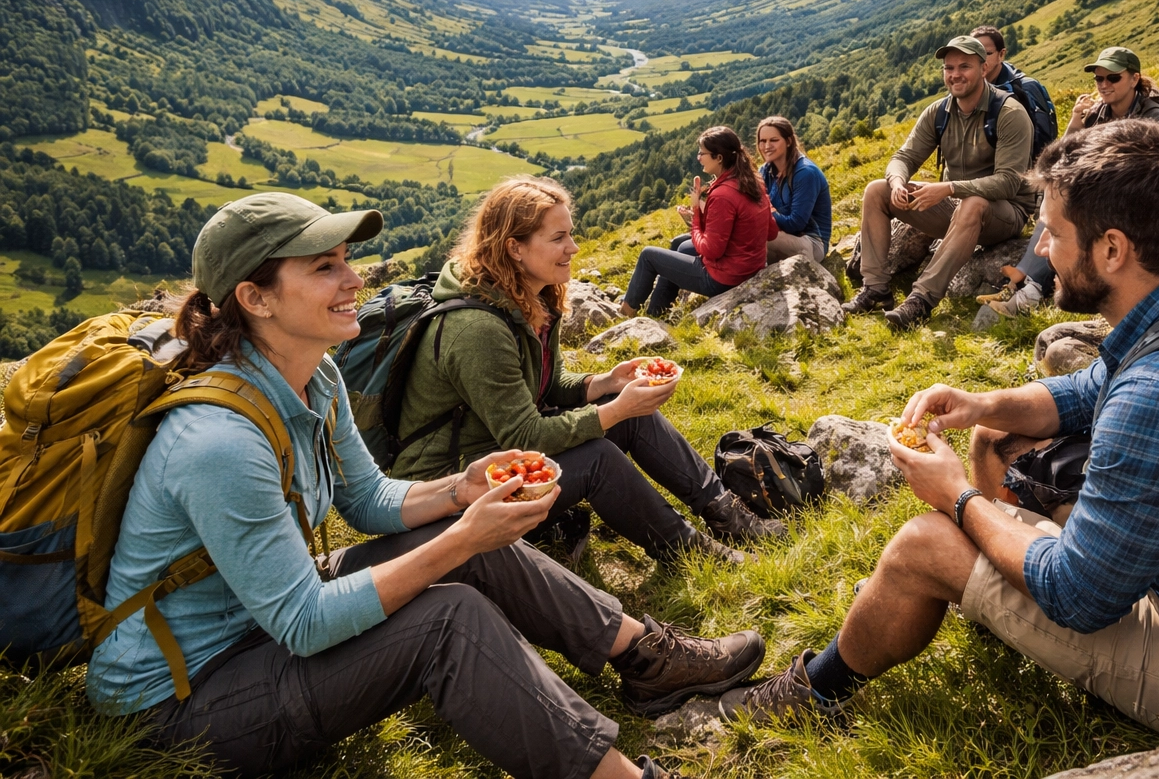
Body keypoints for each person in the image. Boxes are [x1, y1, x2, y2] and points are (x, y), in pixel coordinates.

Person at [88, 192, 764, 779]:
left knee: (462, 541)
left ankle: (644, 658)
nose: (353, 279)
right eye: (325, 267)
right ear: (254, 297)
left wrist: (460, 494)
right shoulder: (218, 442)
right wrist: (462, 538)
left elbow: (369, 500)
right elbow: (304, 623)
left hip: (257, 621)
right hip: (183, 698)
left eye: (346, 259)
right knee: (448, 620)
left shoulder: (314, 380)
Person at [718, 120, 1159, 736]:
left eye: (1052, 232)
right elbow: (1086, 389)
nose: (1042, 250)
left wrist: (954, 498)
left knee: (924, 544)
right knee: (994, 436)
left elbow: (1076, 594)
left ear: (1112, 249)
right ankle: (986, 592)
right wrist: (977, 403)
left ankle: (814, 693)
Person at [391, 177, 783, 567]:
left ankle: (728, 515)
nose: (573, 248)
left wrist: (608, 383)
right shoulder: (477, 329)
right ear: (514, 248)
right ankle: (688, 550)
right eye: (558, 238)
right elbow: (526, 432)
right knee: (598, 454)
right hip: (450, 486)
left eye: (571, 235)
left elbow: (549, 386)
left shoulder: (531, 294)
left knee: (629, 416)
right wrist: (615, 410)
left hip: (496, 451)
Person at [842, 35, 1035, 330]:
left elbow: (1009, 183)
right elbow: (903, 157)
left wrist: (949, 188)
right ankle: (876, 289)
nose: (955, 74)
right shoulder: (939, 112)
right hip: (958, 208)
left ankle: (921, 300)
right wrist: (896, 182)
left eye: (964, 67)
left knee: (973, 203)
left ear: (984, 68)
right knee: (876, 191)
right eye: (949, 68)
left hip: (1003, 215)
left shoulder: (1009, 113)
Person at [987, 46, 1159, 317]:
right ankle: (1027, 283)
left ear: (1134, 79)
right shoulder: (1097, 113)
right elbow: (1065, 155)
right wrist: (1077, 121)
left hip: (1142, 205)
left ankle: (1027, 287)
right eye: (1099, 79)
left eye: (1113, 78)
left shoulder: (1155, 118)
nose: (1104, 85)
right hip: (1106, 197)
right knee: (1058, 197)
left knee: (1068, 211)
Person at [622, 126, 775, 317]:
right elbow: (771, 232)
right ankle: (656, 312)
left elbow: (712, 250)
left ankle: (625, 312)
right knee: (679, 244)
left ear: (719, 158)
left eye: (702, 153)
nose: (699, 157)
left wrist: (696, 214)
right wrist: (704, 217)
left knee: (648, 255)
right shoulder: (753, 182)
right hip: (750, 266)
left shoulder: (723, 194)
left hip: (725, 277)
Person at [972, 25, 1057, 162]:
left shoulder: (1026, 89)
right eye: (974, 54)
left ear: (1001, 54)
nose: (980, 59)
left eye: (987, 53)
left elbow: (1042, 144)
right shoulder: (969, 89)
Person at [757, 115, 833, 264]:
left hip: (810, 243)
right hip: (780, 235)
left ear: (788, 141)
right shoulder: (765, 171)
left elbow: (795, 223)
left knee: (749, 238)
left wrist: (768, 211)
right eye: (762, 141)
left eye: (774, 140)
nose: (767, 146)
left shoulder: (805, 173)